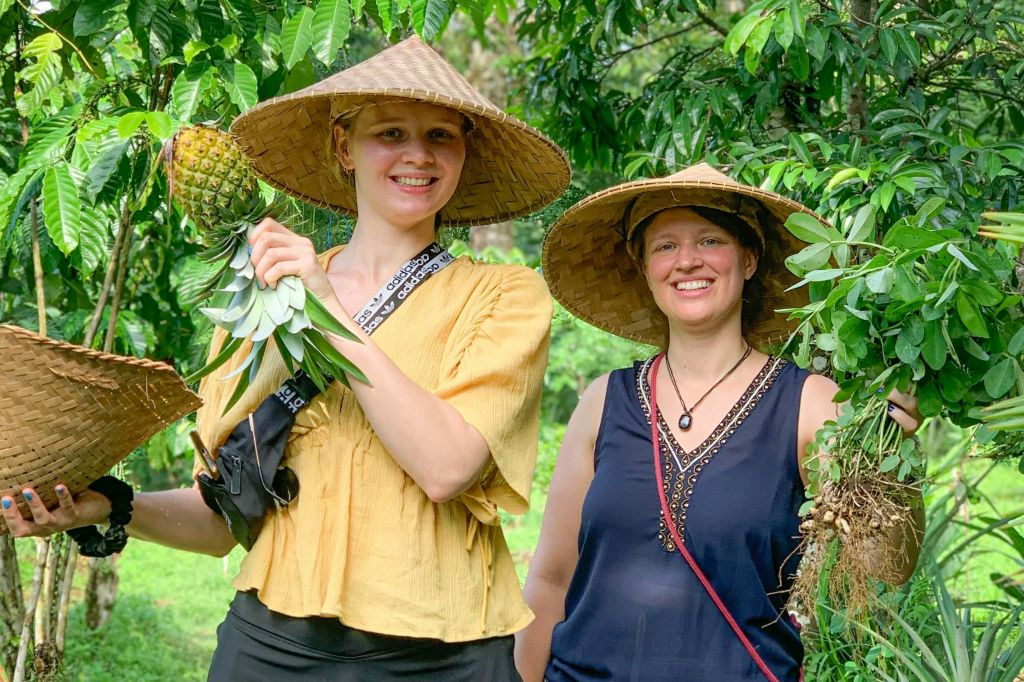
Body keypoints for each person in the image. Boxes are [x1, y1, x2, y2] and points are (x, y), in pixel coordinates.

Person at [3, 36, 569, 680]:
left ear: (464, 153)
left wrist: (325, 308)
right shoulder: (261, 300)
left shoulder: (503, 296)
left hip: (442, 657)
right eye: (390, 132)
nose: (418, 154)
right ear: (344, 147)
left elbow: (446, 468)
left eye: (441, 135)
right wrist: (107, 504)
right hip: (271, 649)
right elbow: (221, 518)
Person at [514, 163, 924, 682]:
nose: (687, 260)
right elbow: (551, 579)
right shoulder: (604, 401)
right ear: (645, 268)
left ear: (748, 259)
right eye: (665, 246)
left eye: (710, 240)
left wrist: (892, 459)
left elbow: (887, 566)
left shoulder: (810, 404)